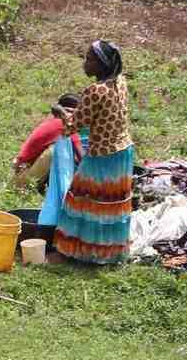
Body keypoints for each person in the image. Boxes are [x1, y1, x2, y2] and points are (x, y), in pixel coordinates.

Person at [52, 39, 134, 264]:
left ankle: (78, 252)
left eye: (90, 59)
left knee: (83, 200)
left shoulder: (95, 90)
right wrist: (76, 112)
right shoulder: (120, 81)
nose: (85, 63)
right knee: (111, 206)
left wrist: (60, 111)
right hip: (123, 150)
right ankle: (108, 252)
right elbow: (98, 114)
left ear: (102, 64)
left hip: (102, 155)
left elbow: (72, 126)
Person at [13, 93, 83, 190]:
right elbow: (82, 157)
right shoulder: (65, 126)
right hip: (24, 180)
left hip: (21, 174)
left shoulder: (53, 122)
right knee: (58, 150)